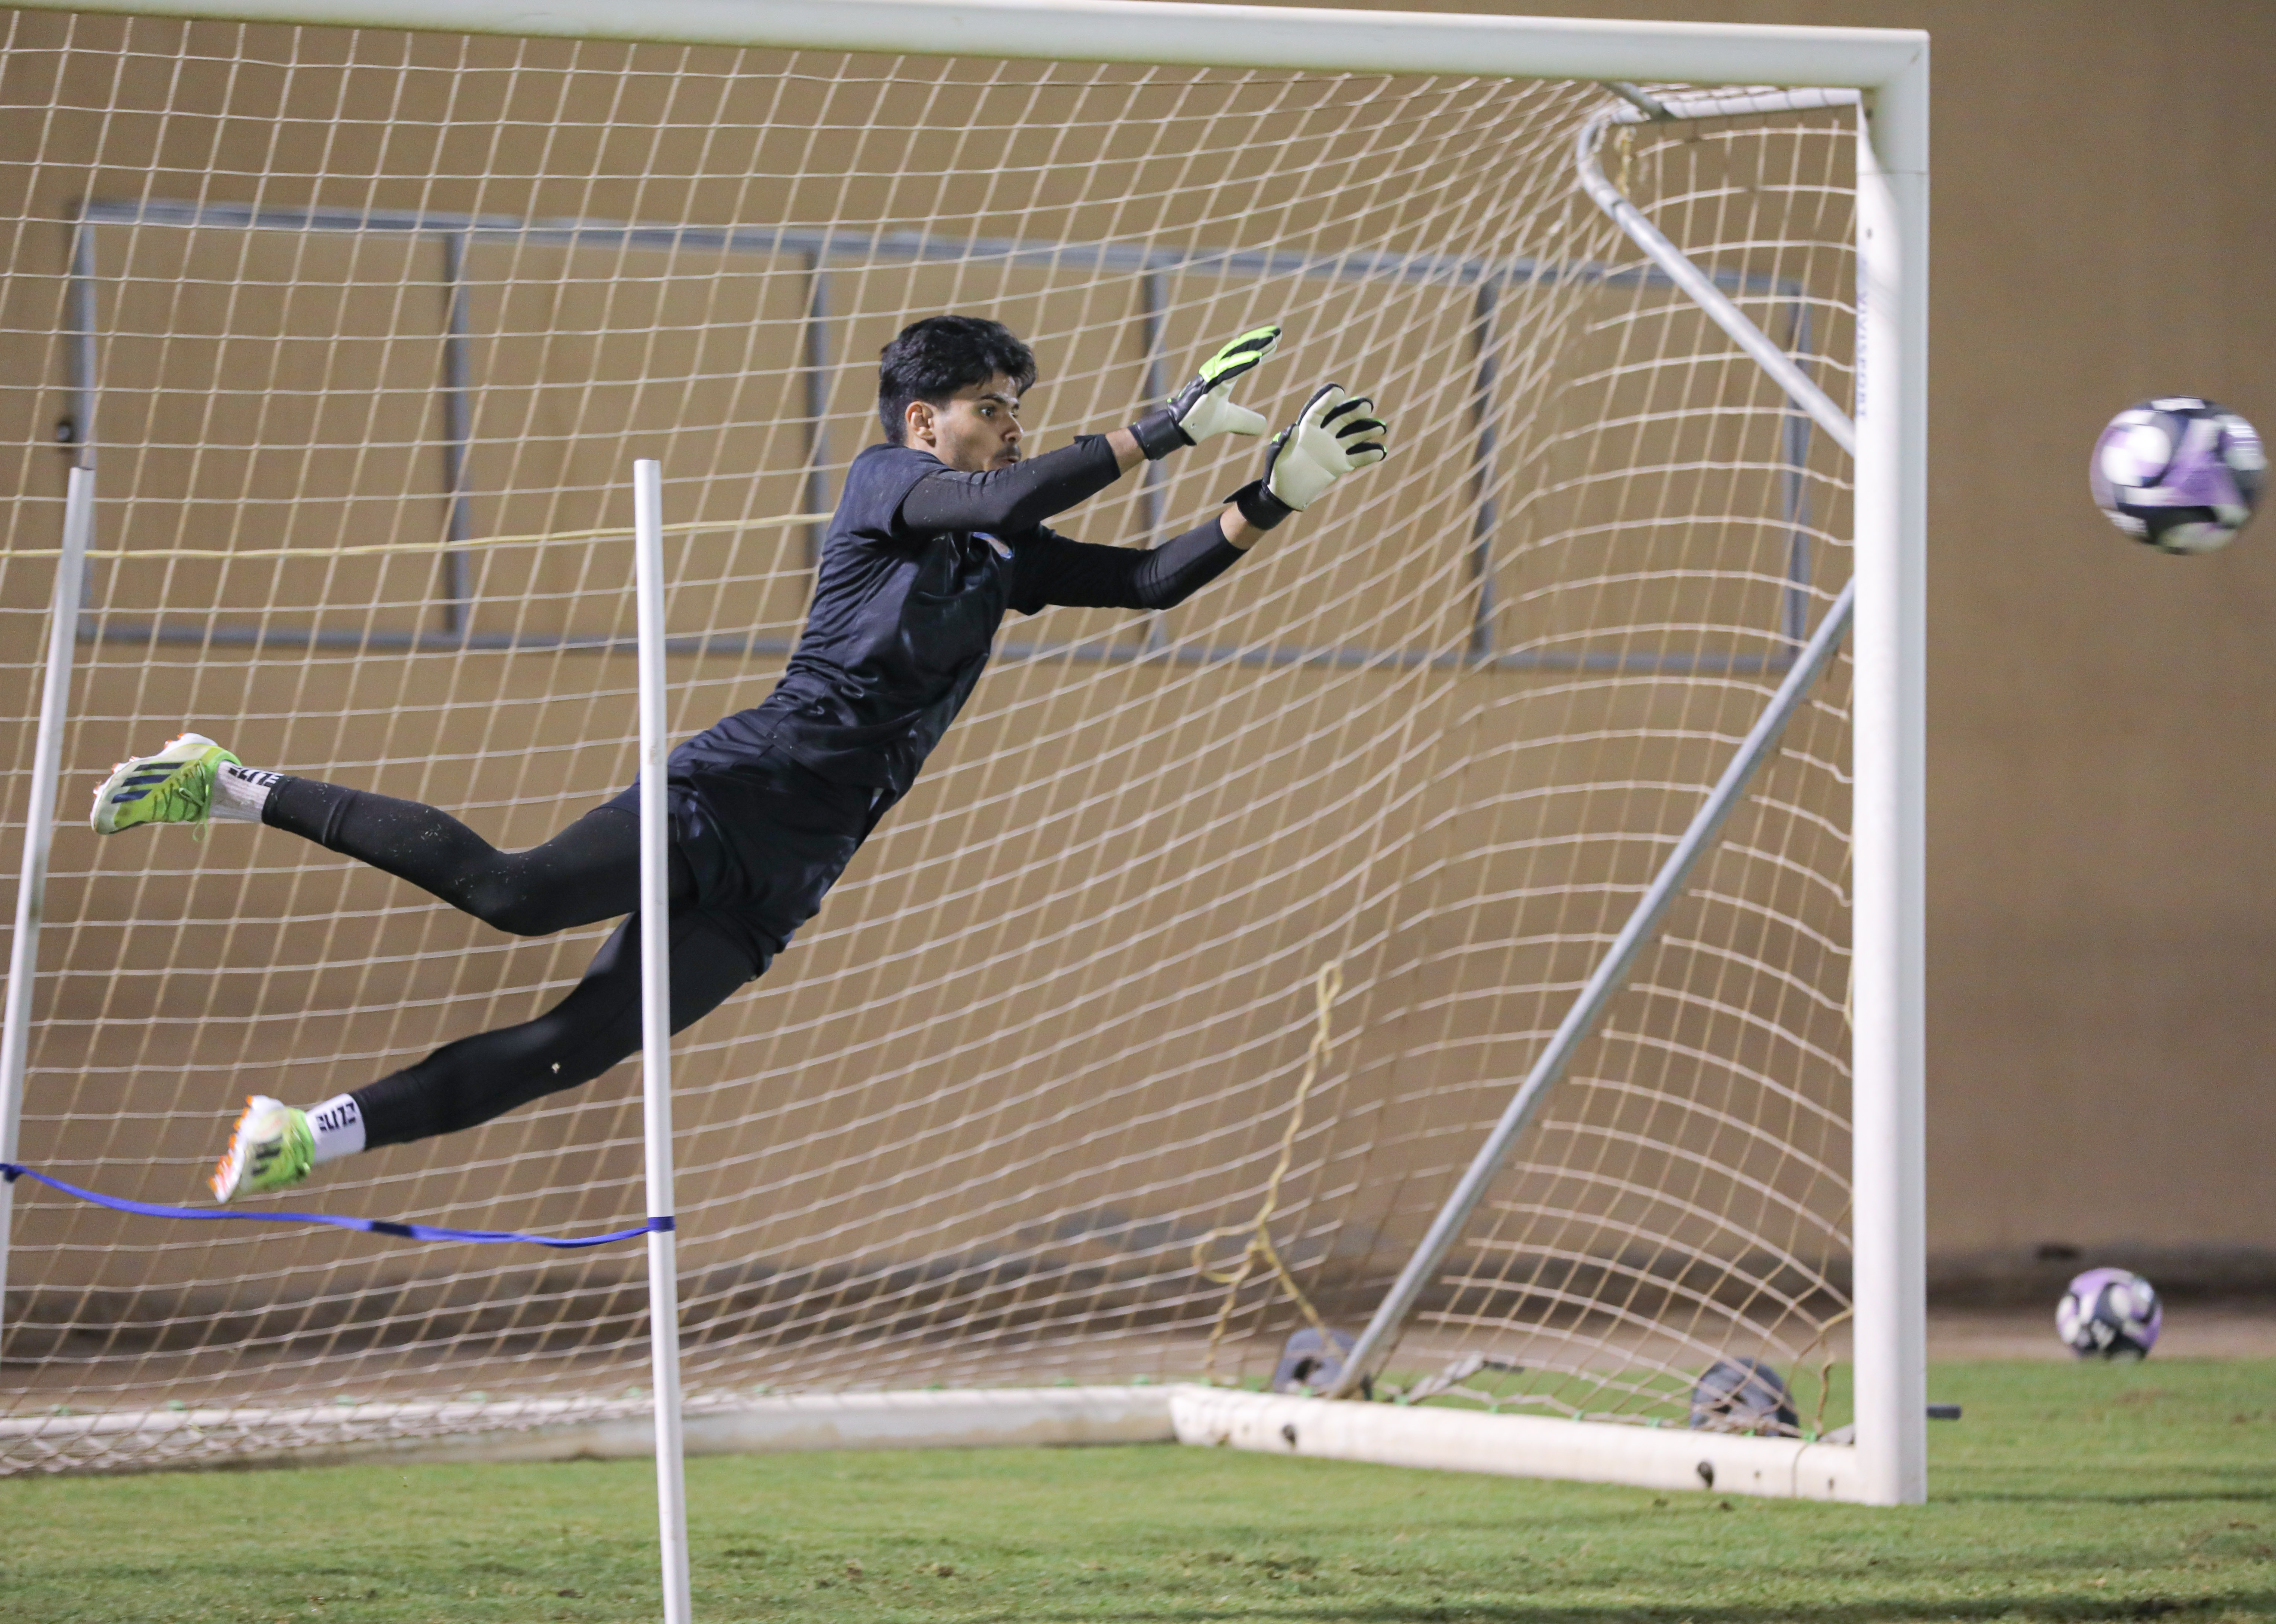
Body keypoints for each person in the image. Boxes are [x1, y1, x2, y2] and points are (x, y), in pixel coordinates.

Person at [88, 314, 1388, 1202]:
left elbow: (1153, 579)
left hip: (796, 865)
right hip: (732, 790)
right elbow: (1005, 492)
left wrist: (1273, 494)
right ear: (924, 420)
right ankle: (229, 777)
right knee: (514, 895)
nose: (1007, 428)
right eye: (992, 409)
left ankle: (300, 1137)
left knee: (576, 1047)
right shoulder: (887, 484)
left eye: (1015, 412)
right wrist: (1161, 428)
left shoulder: (999, 557)